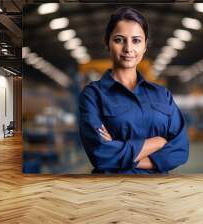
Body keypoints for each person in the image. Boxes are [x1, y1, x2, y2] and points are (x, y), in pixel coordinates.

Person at [78, 7, 189, 174]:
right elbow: (100, 155)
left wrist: (119, 154)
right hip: (112, 191)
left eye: (136, 40)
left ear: (145, 46)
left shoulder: (162, 95)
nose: (128, 49)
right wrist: (157, 142)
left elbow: (180, 151)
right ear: (107, 43)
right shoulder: (93, 95)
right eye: (119, 40)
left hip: (158, 192)